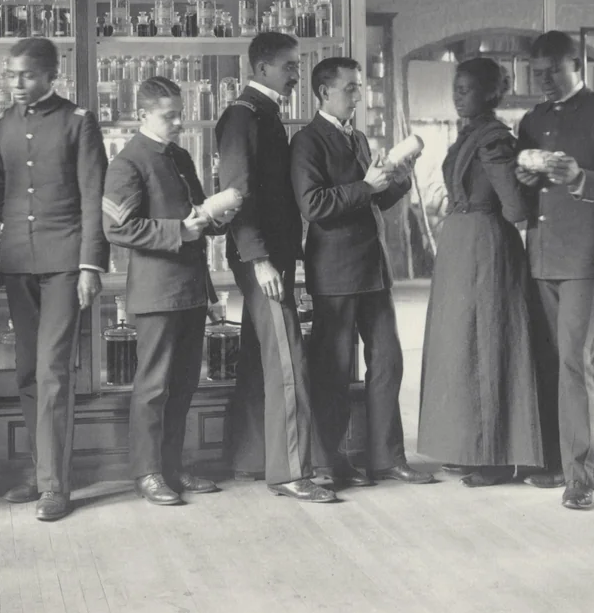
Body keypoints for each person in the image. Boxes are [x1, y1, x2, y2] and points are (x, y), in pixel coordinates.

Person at [0, 37, 109, 522]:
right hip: (19, 262)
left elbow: (93, 195)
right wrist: (21, 230)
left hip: (65, 264)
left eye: (27, 76)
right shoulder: (1, 127)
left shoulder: (78, 122)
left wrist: (90, 264)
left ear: (53, 76)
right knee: (28, 369)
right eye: (10, 74)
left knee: (54, 370)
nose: (16, 83)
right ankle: (38, 472)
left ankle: (56, 485)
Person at [289, 56, 434, 487]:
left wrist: (400, 179)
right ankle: (328, 462)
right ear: (323, 93)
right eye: (350, 87)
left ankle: (386, 458)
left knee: (388, 362)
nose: (358, 94)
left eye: (359, 86)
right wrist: (366, 186)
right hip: (334, 270)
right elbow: (312, 205)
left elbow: (373, 200)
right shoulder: (307, 142)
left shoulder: (359, 140)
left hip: (372, 268)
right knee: (333, 369)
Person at [515, 30, 594, 510]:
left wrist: (580, 177)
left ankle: (581, 475)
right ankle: (555, 461)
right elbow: (529, 194)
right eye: (536, 72)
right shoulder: (532, 118)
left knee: (574, 362)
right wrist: (526, 178)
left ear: (577, 64)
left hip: (583, 256)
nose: (543, 81)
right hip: (541, 252)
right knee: (547, 359)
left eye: (552, 72)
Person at [102, 77, 236, 505]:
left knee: (182, 384)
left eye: (180, 113)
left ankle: (173, 469)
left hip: (190, 287)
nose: (180, 122)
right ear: (143, 115)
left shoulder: (178, 155)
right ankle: (147, 473)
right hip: (156, 292)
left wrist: (219, 215)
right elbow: (117, 228)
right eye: (169, 116)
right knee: (153, 387)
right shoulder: (128, 162)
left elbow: (196, 212)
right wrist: (181, 229)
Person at [216, 32, 336, 503]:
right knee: (288, 359)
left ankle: (250, 457)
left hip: (271, 254)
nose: (296, 76)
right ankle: (289, 472)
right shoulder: (243, 116)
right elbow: (237, 193)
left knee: (260, 357)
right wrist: (260, 259)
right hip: (260, 257)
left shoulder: (265, 115)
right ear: (262, 67)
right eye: (289, 67)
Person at [418, 58, 549, 486]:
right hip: (462, 246)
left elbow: (514, 207)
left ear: (490, 95)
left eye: (468, 89)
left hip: (484, 247)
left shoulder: (492, 139)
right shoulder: (474, 133)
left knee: (486, 344)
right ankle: (471, 449)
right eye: (456, 87)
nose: (459, 95)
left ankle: (493, 457)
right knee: (462, 348)